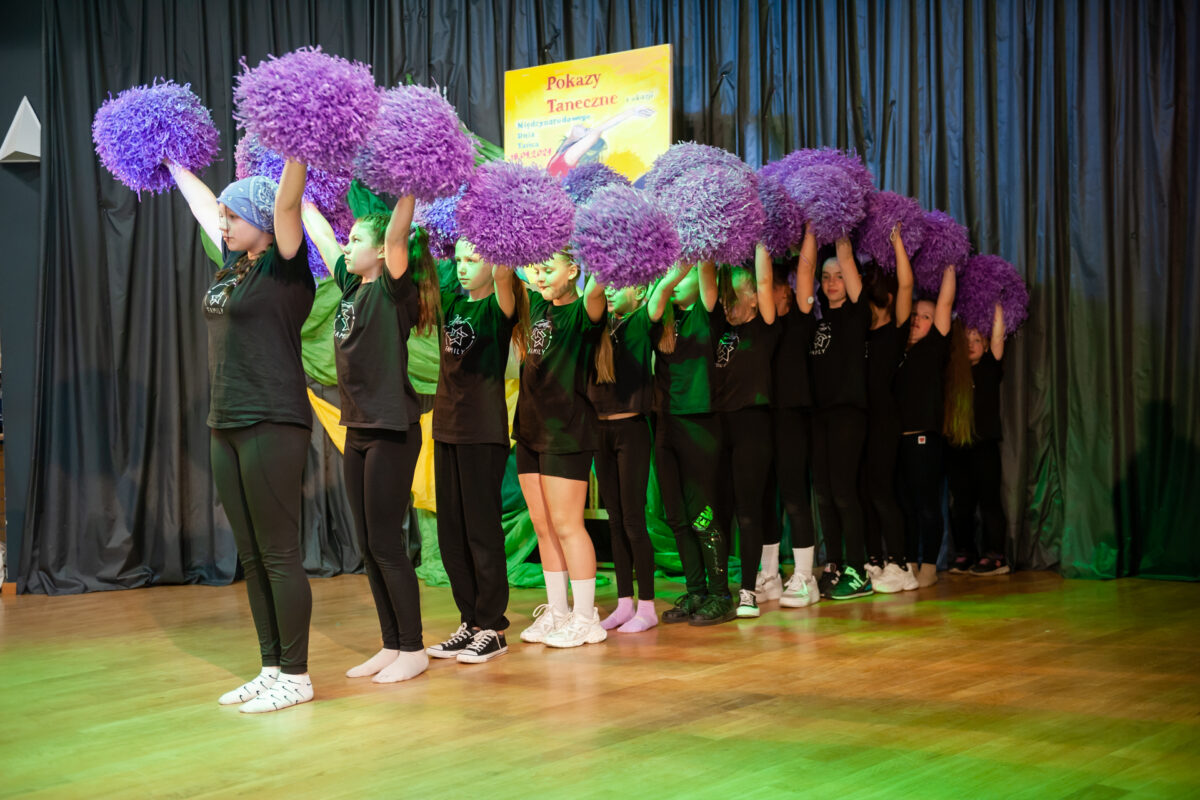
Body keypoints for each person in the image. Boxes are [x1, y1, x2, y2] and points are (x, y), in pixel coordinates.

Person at [170, 158, 316, 712]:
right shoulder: (232, 265)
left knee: (278, 553)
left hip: (273, 419)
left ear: (260, 218)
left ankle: (297, 675)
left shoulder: (285, 266)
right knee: (252, 556)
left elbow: (283, 202)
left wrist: (297, 141)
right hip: (224, 422)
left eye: (235, 216)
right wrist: (171, 156)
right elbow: (203, 204)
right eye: (225, 216)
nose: (224, 224)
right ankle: (272, 666)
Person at [305, 197, 440, 681]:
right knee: (368, 545)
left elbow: (400, 233)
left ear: (383, 252)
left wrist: (408, 186)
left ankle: (413, 648)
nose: (347, 245)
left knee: (386, 543)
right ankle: (392, 643)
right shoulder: (351, 286)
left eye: (357, 239)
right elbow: (322, 238)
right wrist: (297, 189)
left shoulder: (390, 290)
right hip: (358, 429)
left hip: (391, 431)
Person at [424, 239, 528, 663]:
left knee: (481, 532)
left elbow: (505, 281)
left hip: (481, 432)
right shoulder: (453, 305)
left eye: (474, 260)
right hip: (446, 429)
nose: (464, 268)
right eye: (460, 260)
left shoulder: (497, 309)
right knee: (451, 534)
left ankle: (493, 626)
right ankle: (469, 621)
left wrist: (500, 236)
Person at [514, 251, 609, 648]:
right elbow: (513, 257)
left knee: (569, 525)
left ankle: (587, 618)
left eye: (548, 269)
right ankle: (558, 612)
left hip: (567, 432)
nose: (539, 275)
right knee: (543, 526)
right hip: (530, 429)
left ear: (573, 271)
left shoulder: (584, 311)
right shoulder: (536, 302)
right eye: (537, 268)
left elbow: (599, 283)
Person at [652, 262, 736, 625]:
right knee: (677, 516)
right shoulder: (661, 319)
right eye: (672, 274)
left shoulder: (706, 312)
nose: (677, 280)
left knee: (702, 513)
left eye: (683, 274)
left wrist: (697, 244)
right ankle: (697, 590)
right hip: (665, 423)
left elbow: (706, 275)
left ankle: (721, 595)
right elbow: (655, 300)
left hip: (700, 422)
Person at [588, 283, 660, 633]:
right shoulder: (598, 322)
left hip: (631, 430)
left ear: (641, 291)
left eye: (620, 285)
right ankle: (623, 603)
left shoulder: (641, 320)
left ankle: (647, 606)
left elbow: (664, 287)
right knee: (614, 520)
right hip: (600, 432)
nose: (611, 292)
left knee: (633, 520)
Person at [712, 247, 779, 618]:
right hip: (720, 425)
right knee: (719, 511)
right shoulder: (721, 329)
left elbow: (765, 278)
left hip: (753, 423)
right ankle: (720, 589)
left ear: (754, 300)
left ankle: (749, 591)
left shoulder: (763, 328)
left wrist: (756, 239)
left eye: (736, 297)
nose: (728, 304)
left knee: (747, 511)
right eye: (726, 298)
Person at [808, 238, 874, 600]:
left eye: (839, 276)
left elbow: (847, 259)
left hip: (848, 413)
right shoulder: (818, 322)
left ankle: (857, 569)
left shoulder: (856, 314)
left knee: (845, 493)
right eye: (826, 276)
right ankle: (833, 565)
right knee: (824, 493)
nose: (833, 282)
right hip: (820, 416)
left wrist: (837, 220)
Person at [759, 228, 821, 608]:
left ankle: (805, 577)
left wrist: (812, 228)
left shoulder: (800, 318)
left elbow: (806, 270)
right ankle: (770, 576)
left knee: (795, 495)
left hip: (794, 416)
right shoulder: (763, 323)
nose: (774, 291)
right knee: (768, 498)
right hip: (764, 416)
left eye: (782, 287)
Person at [860, 227, 919, 593]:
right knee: (864, 491)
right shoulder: (861, 335)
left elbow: (908, 287)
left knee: (882, 490)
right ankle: (876, 561)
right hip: (861, 419)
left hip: (885, 419)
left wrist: (897, 243)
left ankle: (901, 564)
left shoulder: (895, 330)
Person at [894, 265, 957, 587]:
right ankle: (906, 564)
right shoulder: (896, 350)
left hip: (923, 438)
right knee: (903, 506)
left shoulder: (933, 348)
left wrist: (947, 263)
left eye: (926, 317)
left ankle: (929, 565)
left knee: (925, 505)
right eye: (915, 314)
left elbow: (945, 303)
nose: (918, 320)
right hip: (897, 440)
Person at [946, 304, 1010, 576]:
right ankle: (965, 551)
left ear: (985, 344)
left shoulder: (989, 368)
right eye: (966, 340)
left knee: (989, 502)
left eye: (977, 340)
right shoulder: (952, 372)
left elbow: (998, 337)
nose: (971, 345)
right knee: (961, 504)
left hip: (984, 446)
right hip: (958, 447)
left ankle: (995, 555)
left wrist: (993, 301)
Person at [544, 106, 654, 177]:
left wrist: (631, 111)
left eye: (586, 130)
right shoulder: (563, 148)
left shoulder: (569, 155)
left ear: (583, 139)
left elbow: (599, 130)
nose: (583, 125)